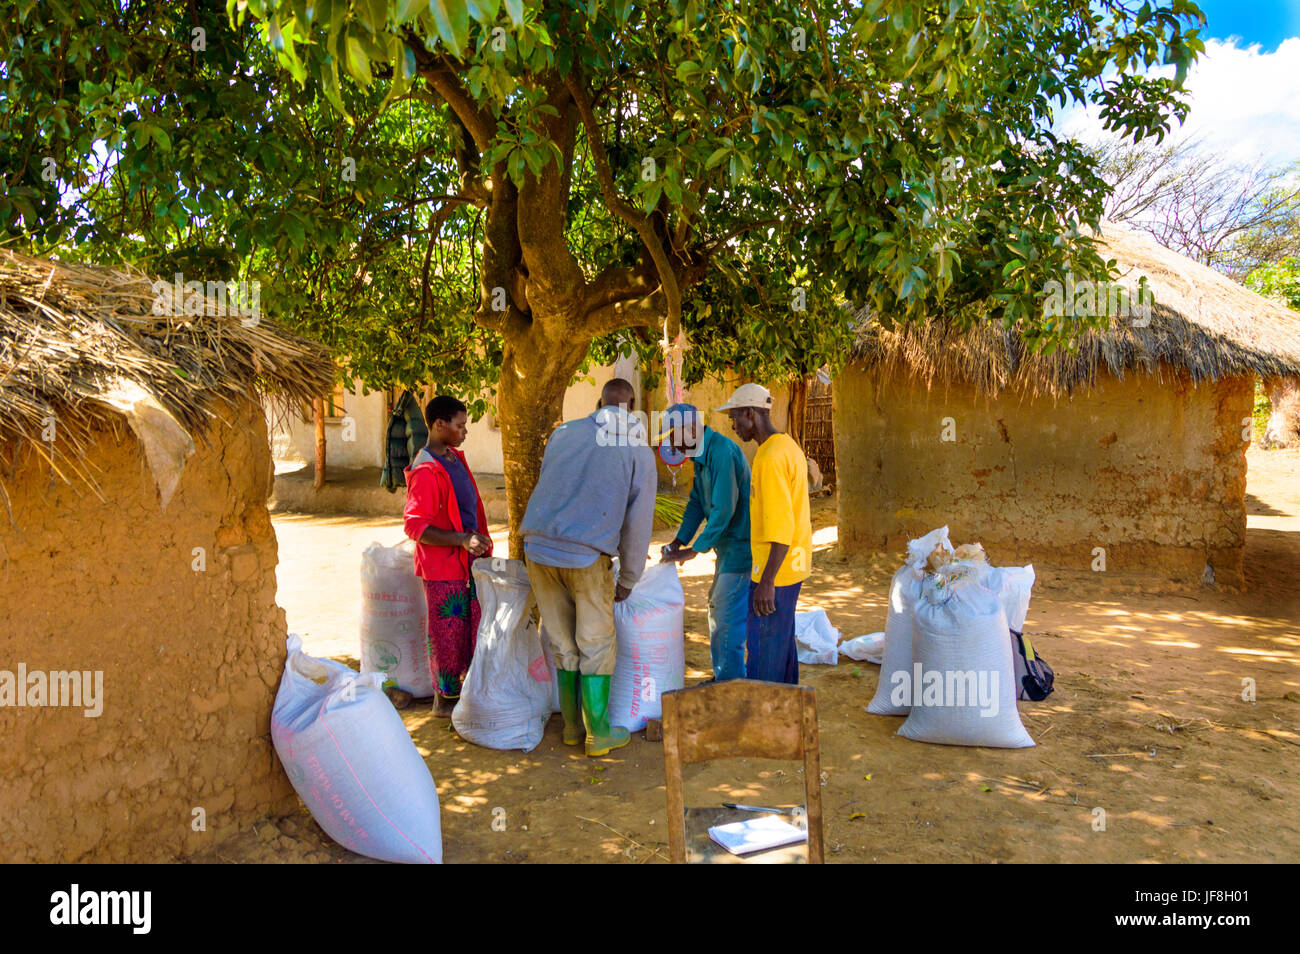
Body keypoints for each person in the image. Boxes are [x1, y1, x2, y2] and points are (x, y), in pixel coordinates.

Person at [520, 378, 657, 757]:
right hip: (586, 554)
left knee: (562, 640)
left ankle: (570, 728)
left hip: (537, 547)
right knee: (595, 643)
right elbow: (638, 522)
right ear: (631, 408)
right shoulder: (637, 449)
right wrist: (629, 577)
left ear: (598, 403)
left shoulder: (563, 433)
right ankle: (598, 734)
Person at [403, 395, 493, 717]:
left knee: (470, 631)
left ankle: (464, 700)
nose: (464, 431)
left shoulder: (454, 460)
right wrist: (461, 539)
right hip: (443, 568)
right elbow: (415, 526)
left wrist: (474, 542)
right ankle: (445, 704)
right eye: (460, 425)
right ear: (439, 425)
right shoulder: (426, 470)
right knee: (447, 639)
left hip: (466, 563)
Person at [718, 383, 812, 685]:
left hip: (776, 574)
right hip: (790, 568)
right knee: (781, 649)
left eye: (735, 418)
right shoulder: (786, 446)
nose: (733, 426)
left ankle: (764, 724)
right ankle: (787, 720)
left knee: (764, 656)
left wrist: (766, 582)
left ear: (750, 413)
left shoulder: (770, 458)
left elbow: (781, 528)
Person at [658, 403, 752, 682]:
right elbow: (697, 503)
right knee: (719, 610)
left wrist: (694, 550)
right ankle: (725, 677)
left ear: (690, 429)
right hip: (726, 548)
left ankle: (730, 683)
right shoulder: (701, 456)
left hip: (740, 548)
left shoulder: (721, 452)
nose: (672, 445)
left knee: (725, 616)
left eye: (674, 436)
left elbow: (723, 509)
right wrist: (678, 540)